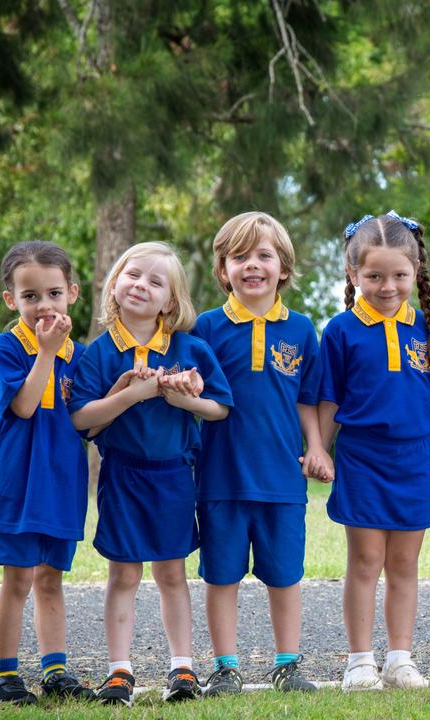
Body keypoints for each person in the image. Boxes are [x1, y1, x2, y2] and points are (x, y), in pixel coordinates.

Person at [304, 211, 430, 691]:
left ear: (415, 273)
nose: (388, 286)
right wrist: (318, 448)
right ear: (353, 274)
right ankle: (360, 660)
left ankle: (400, 659)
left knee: (405, 563)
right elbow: (328, 399)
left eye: (399, 275)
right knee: (364, 562)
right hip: (362, 458)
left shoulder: (427, 327)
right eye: (374, 276)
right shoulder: (341, 331)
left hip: (414, 460)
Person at [69, 241, 232, 705]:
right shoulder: (99, 353)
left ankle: (183, 668)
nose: (141, 285)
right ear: (114, 283)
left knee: (171, 573)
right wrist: (131, 396)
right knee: (123, 575)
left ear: (171, 302)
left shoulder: (190, 347)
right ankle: (119, 671)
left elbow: (218, 407)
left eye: (156, 281)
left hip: (174, 475)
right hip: (122, 475)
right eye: (133, 275)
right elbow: (81, 418)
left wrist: (182, 397)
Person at [192, 212, 322, 694]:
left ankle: (287, 664)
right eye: (239, 256)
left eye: (264, 255)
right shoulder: (205, 328)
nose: (253, 265)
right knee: (221, 577)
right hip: (221, 478)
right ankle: (226, 667)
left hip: (282, 479)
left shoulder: (303, 330)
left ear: (283, 268)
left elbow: (309, 400)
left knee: (284, 576)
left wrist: (316, 448)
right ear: (223, 269)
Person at [0, 241, 96, 704]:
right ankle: (3, 675)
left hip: (61, 483)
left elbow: (90, 416)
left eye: (53, 293)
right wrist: (46, 353)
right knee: (18, 579)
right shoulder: (4, 347)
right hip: (17, 484)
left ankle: (55, 670)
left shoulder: (82, 356)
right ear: (12, 300)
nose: (43, 305)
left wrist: (127, 387)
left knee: (51, 578)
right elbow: (24, 406)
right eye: (30, 297)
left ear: (72, 293)